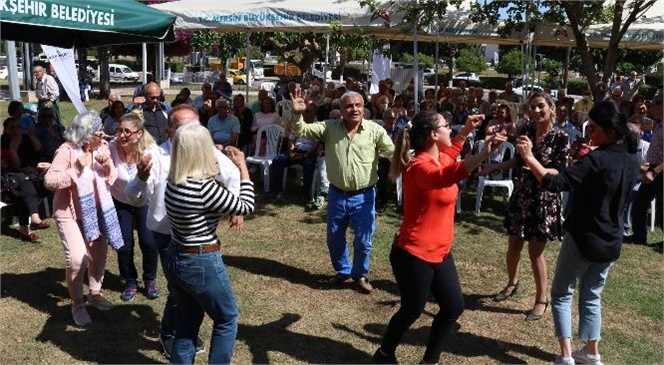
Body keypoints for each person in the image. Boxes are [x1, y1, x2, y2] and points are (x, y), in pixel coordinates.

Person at [372, 110, 506, 365]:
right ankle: (383, 355)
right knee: (411, 310)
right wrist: (484, 153)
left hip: (441, 252)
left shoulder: (438, 159)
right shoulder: (419, 167)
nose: (450, 129)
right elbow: (446, 176)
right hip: (413, 253)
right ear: (434, 135)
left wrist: (466, 131)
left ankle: (429, 362)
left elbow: (451, 153)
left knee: (453, 307)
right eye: (446, 126)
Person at [516, 100, 639, 365]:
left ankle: (567, 355)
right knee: (592, 295)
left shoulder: (596, 159)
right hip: (611, 240)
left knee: (561, 293)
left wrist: (528, 157)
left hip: (584, 237)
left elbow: (555, 182)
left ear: (611, 130)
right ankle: (591, 354)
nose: (589, 134)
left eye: (594, 129)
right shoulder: (631, 156)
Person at [124, 104, 242, 358]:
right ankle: (168, 334)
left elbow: (231, 175)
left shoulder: (205, 150)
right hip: (169, 238)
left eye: (193, 126)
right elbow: (132, 197)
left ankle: (175, 336)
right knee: (183, 296)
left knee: (183, 298)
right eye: (181, 126)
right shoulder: (154, 156)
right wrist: (141, 178)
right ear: (169, 130)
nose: (187, 132)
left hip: (191, 238)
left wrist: (235, 208)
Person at [163, 123, 254, 364]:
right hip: (200, 260)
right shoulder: (204, 188)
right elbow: (245, 206)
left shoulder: (173, 180)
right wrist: (243, 167)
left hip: (176, 255)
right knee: (227, 318)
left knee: (187, 319)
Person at [289, 89, 395, 293]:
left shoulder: (375, 130)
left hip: (364, 196)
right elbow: (300, 130)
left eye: (358, 105)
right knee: (334, 237)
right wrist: (296, 113)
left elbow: (393, 152)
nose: (354, 109)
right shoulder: (329, 127)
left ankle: (360, 274)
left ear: (364, 108)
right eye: (349, 106)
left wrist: (414, 160)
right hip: (337, 194)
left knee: (364, 240)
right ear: (341, 109)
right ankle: (343, 270)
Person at [480, 92, 569, 321]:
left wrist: (532, 160)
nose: (536, 111)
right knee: (514, 245)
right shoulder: (527, 131)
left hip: (543, 199)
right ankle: (512, 283)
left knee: (535, 252)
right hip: (522, 195)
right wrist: (496, 166)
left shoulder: (560, 137)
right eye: (532, 108)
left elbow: (559, 172)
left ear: (550, 107)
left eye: (540, 106)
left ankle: (541, 300)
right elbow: (519, 161)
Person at [44, 112, 123, 327]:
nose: (102, 136)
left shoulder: (101, 148)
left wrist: (106, 164)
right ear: (86, 134)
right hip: (68, 213)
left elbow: (112, 177)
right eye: (97, 132)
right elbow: (50, 182)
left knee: (98, 254)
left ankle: (95, 294)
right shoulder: (67, 150)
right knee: (78, 259)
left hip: (95, 211)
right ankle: (78, 303)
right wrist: (77, 168)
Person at [109, 112, 160, 302]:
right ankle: (130, 281)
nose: (121, 135)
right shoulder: (111, 148)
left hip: (144, 201)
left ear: (138, 134)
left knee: (148, 241)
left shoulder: (150, 151)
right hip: (120, 202)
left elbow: (155, 179)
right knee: (124, 244)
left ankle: (150, 280)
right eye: (119, 130)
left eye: (127, 132)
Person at [1, 116, 49, 242]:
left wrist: (31, 136)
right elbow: (14, 166)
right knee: (25, 183)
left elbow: (38, 148)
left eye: (18, 127)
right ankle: (34, 218)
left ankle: (24, 229)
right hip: (10, 177)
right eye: (12, 127)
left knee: (27, 185)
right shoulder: (4, 143)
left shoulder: (25, 138)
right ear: (5, 130)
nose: (16, 130)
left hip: (26, 175)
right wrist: (13, 150)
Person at [625, 95, 663, 246]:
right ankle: (639, 235)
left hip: (660, 169)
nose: (651, 108)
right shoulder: (658, 125)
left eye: (654, 105)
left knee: (663, 206)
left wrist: (655, 172)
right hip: (653, 168)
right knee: (640, 202)